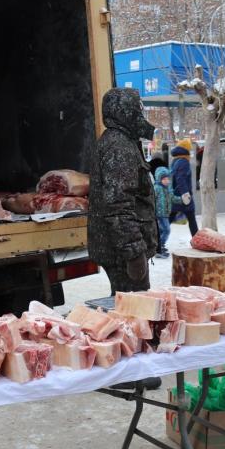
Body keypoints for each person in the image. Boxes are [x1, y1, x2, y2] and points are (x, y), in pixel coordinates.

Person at [88, 87, 158, 294]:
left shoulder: (121, 141)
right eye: (137, 108)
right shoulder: (119, 147)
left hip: (121, 249)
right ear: (126, 111)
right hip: (123, 253)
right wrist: (134, 253)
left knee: (128, 307)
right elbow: (118, 205)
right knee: (134, 312)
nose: (141, 113)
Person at [169, 144, 199, 236]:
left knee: (170, 218)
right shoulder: (183, 161)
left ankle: (157, 240)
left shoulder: (176, 160)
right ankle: (197, 240)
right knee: (191, 219)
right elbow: (180, 179)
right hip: (183, 196)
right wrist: (185, 194)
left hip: (176, 194)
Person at [153, 166, 174, 258]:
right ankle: (159, 248)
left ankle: (159, 247)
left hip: (165, 213)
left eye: (167, 179)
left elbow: (173, 198)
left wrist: (182, 199)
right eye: (164, 179)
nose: (167, 181)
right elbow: (152, 200)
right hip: (159, 214)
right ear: (159, 179)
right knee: (166, 230)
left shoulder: (168, 189)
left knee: (162, 231)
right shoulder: (156, 188)